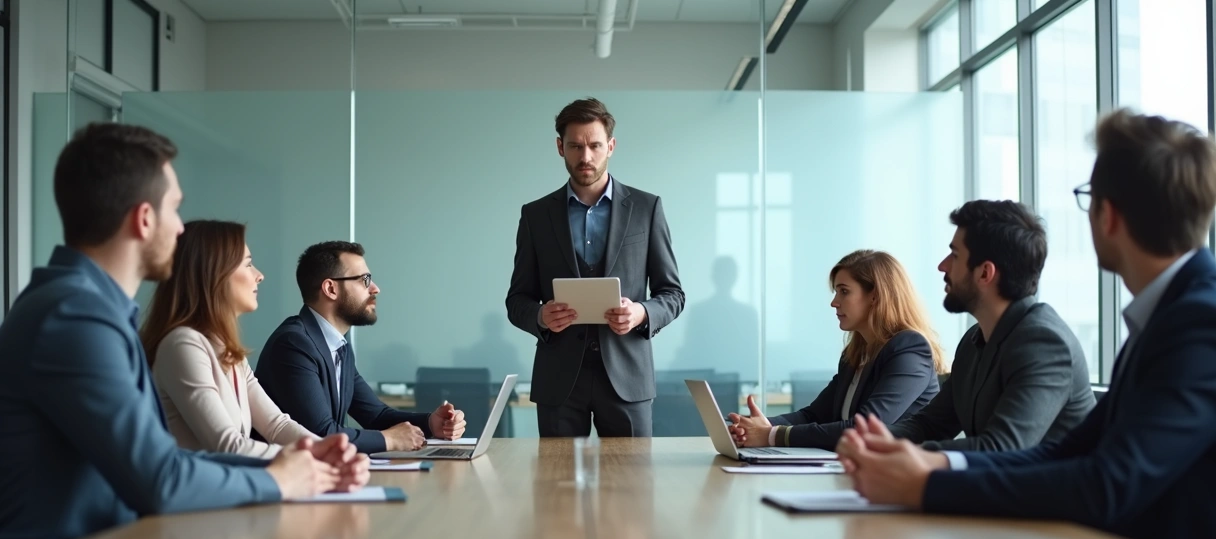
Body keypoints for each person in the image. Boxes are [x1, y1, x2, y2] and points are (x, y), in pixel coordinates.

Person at [839, 110, 1216, 539]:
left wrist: (926, 481)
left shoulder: (1197, 321)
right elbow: (1070, 451)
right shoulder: (1168, 315)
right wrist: (932, 465)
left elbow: (1106, 483)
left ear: (1109, 215)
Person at [0, 124, 367, 539]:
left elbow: (167, 464)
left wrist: (305, 460)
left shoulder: (85, 308)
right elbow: (161, 478)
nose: (180, 229)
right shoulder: (75, 317)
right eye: (175, 208)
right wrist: (283, 480)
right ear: (143, 218)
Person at [506, 97, 685, 437]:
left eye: (594, 145)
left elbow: (672, 294)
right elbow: (517, 300)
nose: (585, 157)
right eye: (575, 146)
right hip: (559, 381)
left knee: (631, 487)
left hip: (628, 378)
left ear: (611, 146)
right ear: (560, 147)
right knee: (555, 488)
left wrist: (641, 313)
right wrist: (541, 317)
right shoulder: (535, 215)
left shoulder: (647, 208)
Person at [874, 200, 1095, 451]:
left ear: (985, 273)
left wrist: (904, 453)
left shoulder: (1044, 343)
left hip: (1046, 490)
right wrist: (873, 439)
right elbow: (930, 424)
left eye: (954, 255)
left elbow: (1002, 448)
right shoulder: (973, 341)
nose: (942, 266)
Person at [256, 241, 467, 454]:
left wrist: (431, 423)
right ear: (331, 289)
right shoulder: (294, 344)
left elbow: (376, 415)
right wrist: (388, 440)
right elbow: (320, 433)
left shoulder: (338, 345)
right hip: (286, 479)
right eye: (364, 280)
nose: (375, 288)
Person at [728, 250, 946, 449]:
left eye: (844, 292)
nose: (834, 302)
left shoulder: (909, 349)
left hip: (900, 478)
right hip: (855, 468)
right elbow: (814, 415)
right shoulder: (854, 354)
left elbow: (865, 426)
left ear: (875, 296)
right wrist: (760, 426)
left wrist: (772, 435)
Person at [142, 220, 319, 458]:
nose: (259, 275)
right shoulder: (182, 345)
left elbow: (277, 425)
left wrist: (327, 450)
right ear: (214, 274)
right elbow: (228, 447)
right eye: (248, 264)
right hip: (203, 493)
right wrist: (313, 458)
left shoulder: (229, 352)